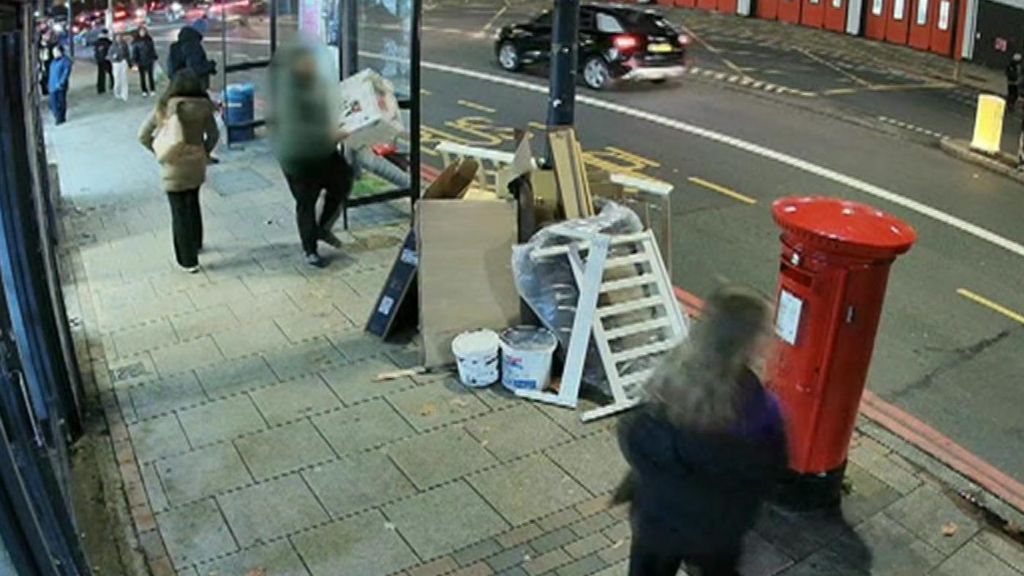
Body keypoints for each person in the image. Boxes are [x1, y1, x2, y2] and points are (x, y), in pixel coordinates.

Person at [615, 286, 788, 576]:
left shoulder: (671, 374)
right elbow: (770, 466)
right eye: (765, 330)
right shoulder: (755, 404)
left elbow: (634, 432)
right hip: (714, 530)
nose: (772, 336)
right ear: (745, 341)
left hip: (657, 519)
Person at [268, 42, 351, 268]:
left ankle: (322, 228)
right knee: (306, 201)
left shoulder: (311, 84)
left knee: (343, 178)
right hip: (297, 157)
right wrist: (329, 135)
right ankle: (310, 250)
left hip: (320, 151)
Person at [138, 70, 219, 273]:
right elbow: (214, 134)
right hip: (196, 163)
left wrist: (159, 151)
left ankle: (188, 261)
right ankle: (196, 243)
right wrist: (204, 151)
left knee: (179, 211)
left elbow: (143, 135)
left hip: (173, 165)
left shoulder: (165, 107)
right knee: (193, 201)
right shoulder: (204, 106)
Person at [168, 26, 216, 91]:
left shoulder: (175, 47)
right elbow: (195, 68)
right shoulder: (192, 46)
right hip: (192, 86)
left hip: (176, 84)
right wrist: (210, 65)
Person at [47, 44, 73, 125]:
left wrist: (61, 82)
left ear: (60, 52)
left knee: (61, 102)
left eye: (55, 52)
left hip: (60, 86)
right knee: (52, 102)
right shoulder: (53, 62)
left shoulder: (65, 61)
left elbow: (66, 73)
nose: (54, 54)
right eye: (53, 52)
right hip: (52, 85)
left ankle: (60, 117)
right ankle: (58, 116)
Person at [133, 26, 159, 97]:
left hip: (149, 60)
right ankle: (144, 90)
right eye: (141, 31)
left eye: (143, 31)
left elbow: (152, 49)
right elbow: (135, 52)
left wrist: (154, 56)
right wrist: (135, 61)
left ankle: (152, 89)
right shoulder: (136, 41)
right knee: (142, 77)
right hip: (141, 61)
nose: (142, 33)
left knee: (151, 76)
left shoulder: (149, 39)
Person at [110, 33, 132, 101]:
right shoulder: (113, 46)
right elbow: (109, 55)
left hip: (123, 61)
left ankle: (124, 94)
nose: (119, 38)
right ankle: (117, 92)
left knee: (124, 78)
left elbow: (128, 54)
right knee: (117, 78)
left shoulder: (124, 45)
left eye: (120, 37)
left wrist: (129, 63)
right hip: (116, 63)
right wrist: (113, 58)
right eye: (117, 37)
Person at [93, 29, 114, 94]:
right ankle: (112, 85)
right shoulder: (108, 42)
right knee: (111, 73)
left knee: (101, 74)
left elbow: (96, 52)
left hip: (100, 60)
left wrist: (97, 58)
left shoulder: (97, 42)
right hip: (107, 59)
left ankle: (101, 88)